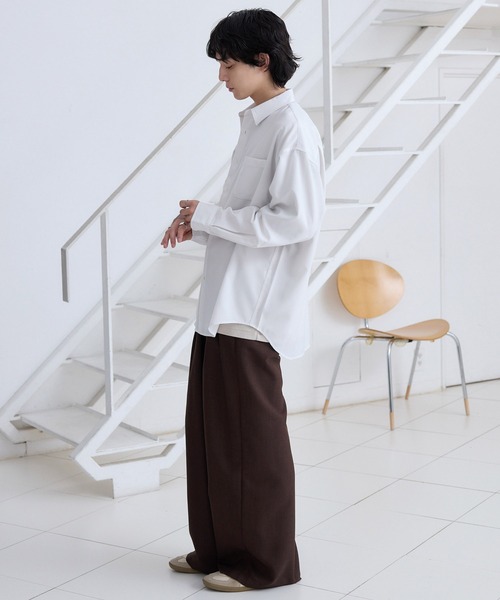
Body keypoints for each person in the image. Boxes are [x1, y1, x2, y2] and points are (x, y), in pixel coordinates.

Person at [161, 8, 325, 593]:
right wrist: (201, 223)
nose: (221, 77)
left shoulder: (292, 131)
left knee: (254, 446)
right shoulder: (257, 124)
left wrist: (211, 216)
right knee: (212, 437)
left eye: (228, 65)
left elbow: (296, 221)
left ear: (262, 60)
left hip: (252, 312)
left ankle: (265, 564)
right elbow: (248, 215)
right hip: (222, 307)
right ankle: (217, 549)